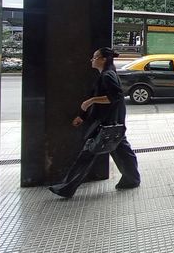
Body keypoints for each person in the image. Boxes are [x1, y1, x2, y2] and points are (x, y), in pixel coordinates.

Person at [49, 47, 141, 198]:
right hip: (113, 123)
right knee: (123, 152)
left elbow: (115, 96)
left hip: (106, 124)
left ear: (103, 59)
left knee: (88, 154)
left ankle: (66, 188)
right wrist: (82, 116)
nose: (92, 60)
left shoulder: (107, 75)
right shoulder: (107, 74)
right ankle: (132, 179)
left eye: (95, 57)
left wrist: (90, 101)